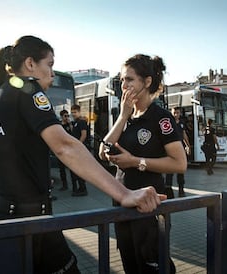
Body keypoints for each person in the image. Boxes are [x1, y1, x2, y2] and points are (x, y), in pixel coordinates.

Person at [0, 36, 165, 274]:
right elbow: (65, 146)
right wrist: (124, 194)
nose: (51, 73)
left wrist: (27, 172)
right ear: (30, 64)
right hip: (28, 220)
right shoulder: (28, 89)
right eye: (49, 64)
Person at [98, 54, 187, 274]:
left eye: (129, 79)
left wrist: (136, 162)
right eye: (121, 80)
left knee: (152, 265)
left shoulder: (161, 118)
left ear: (147, 82)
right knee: (130, 264)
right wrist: (122, 117)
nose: (123, 86)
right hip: (122, 203)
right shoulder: (127, 116)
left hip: (148, 206)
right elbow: (102, 151)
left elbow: (179, 163)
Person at [164, 107, 190, 198]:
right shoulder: (168, 122)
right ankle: (168, 190)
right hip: (170, 149)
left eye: (177, 113)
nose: (176, 114)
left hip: (180, 149)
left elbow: (184, 135)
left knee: (180, 170)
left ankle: (181, 190)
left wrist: (187, 145)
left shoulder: (182, 123)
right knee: (170, 170)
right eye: (174, 112)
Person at [70, 104, 88, 196]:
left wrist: (78, 146)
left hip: (79, 149)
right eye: (72, 112)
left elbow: (83, 135)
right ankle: (79, 188)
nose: (73, 114)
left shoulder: (81, 122)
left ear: (79, 112)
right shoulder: (75, 122)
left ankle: (83, 189)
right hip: (75, 148)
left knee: (79, 170)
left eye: (75, 112)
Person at [57, 109, 72, 191]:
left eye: (68, 116)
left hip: (69, 149)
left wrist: (70, 124)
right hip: (61, 149)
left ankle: (74, 185)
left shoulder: (69, 124)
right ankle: (64, 184)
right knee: (61, 169)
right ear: (61, 117)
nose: (67, 118)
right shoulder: (59, 126)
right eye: (65, 116)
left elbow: (73, 133)